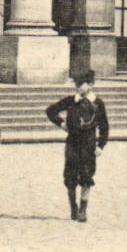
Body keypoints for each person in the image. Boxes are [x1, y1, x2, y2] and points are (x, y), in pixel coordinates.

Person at [46, 71, 110, 222]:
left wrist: (100, 146)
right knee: (70, 177)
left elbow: (104, 127)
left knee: (87, 177)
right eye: (76, 84)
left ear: (91, 85)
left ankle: (83, 210)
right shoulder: (70, 101)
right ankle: (73, 208)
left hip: (88, 144)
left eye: (81, 84)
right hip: (72, 143)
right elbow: (50, 111)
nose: (78, 88)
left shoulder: (98, 104)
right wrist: (62, 124)